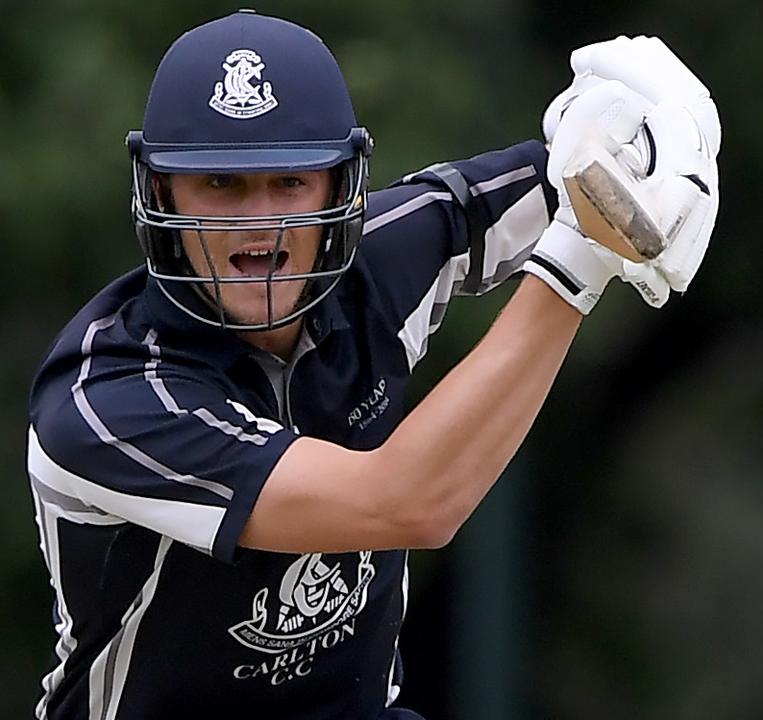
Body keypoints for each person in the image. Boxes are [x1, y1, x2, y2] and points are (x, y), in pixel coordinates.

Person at [25, 10, 719, 720]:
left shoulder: (377, 262)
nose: (259, 221)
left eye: (290, 182)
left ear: (339, 187)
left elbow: (579, 177)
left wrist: (647, 131)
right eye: (221, 183)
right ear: (162, 193)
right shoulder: (105, 399)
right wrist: (581, 264)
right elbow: (407, 503)